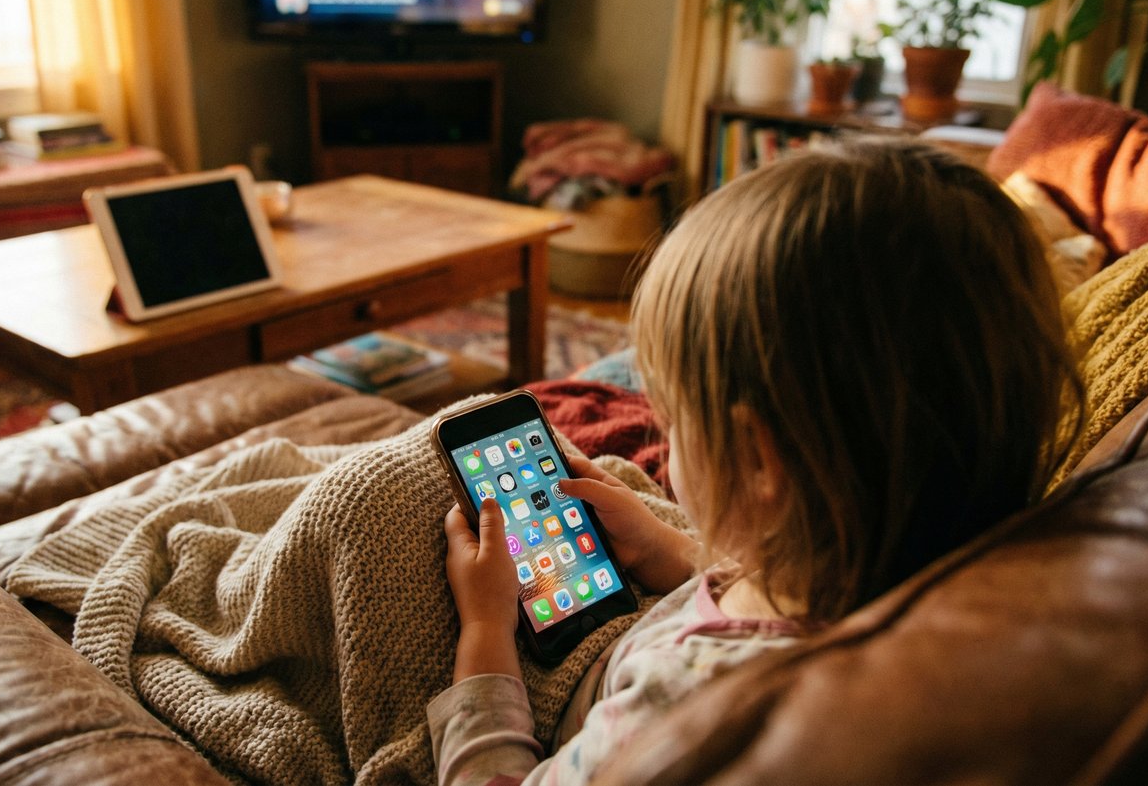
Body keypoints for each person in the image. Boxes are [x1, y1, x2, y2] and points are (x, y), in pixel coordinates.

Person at [432, 138, 1082, 785]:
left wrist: (486, 634)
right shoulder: (908, 565)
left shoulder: (682, 713)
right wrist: (666, 545)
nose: (665, 429)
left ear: (758, 461)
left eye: (676, 417)